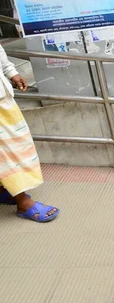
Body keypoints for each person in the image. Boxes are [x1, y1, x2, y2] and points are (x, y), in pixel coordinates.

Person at [0, 44, 59, 222]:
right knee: (6, 152)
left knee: (16, 145)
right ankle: (22, 201)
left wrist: (10, 72)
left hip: (3, 98)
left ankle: (5, 188)